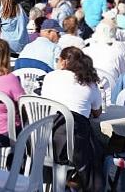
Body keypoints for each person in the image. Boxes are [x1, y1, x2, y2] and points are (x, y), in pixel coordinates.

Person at [40, 47, 104, 191]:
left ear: (63, 62)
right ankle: (77, 179)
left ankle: (68, 178)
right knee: (97, 147)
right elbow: (97, 112)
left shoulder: (50, 77)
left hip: (44, 141)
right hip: (74, 147)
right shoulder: (90, 83)